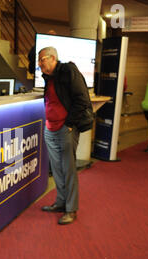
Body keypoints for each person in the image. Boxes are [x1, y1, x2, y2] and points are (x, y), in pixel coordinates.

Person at [39, 47, 93, 225]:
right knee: (57, 169)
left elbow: (82, 99)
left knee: (68, 170)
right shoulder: (49, 77)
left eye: (42, 60)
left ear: (53, 58)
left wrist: (69, 124)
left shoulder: (68, 70)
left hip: (65, 128)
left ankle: (71, 209)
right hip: (50, 128)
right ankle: (61, 203)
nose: (39, 64)